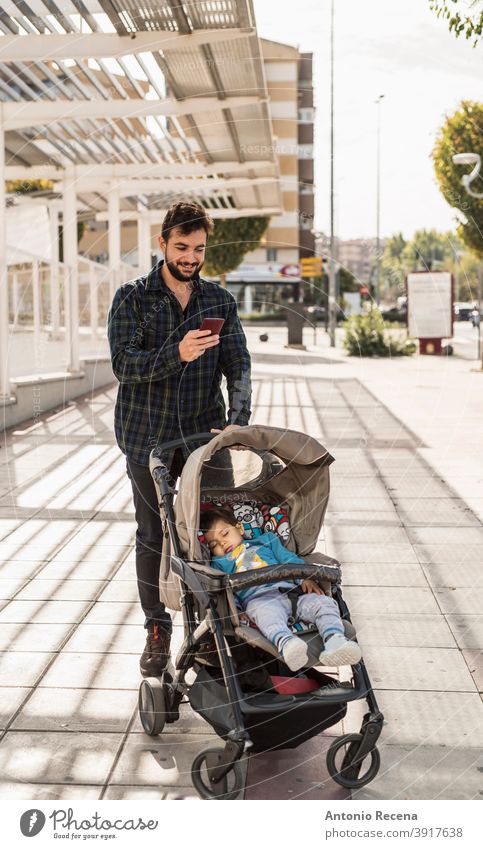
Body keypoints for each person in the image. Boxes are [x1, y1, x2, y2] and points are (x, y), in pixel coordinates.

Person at [108, 202, 251, 677]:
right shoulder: (132, 299)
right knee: (153, 536)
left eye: (199, 249)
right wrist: (178, 352)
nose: (191, 257)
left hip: (203, 438)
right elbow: (123, 366)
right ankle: (157, 630)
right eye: (183, 247)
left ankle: (220, 631)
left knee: (217, 533)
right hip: (145, 440)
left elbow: (238, 365)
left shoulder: (219, 302)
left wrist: (238, 420)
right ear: (163, 242)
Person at [200, 507, 361, 671]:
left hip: (294, 593)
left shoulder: (267, 541)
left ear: (240, 528)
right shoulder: (220, 563)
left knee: (323, 603)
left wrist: (305, 577)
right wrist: (237, 610)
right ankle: (288, 644)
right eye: (214, 545)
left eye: (225, 534)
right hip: (261, 600)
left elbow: (288, 559)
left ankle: (335, 640)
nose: (222, 543)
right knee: (267, 616)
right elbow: (224, 589)